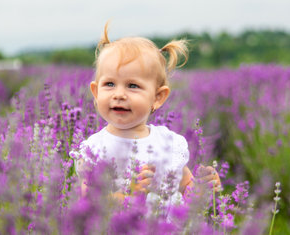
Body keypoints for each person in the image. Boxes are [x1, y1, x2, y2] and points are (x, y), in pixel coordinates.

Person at [70, 22, 220, 206]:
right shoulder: (94, 149)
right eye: (109, 84)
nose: (118, 94)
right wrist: (128, 195)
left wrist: (202, 189)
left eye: (133, 86)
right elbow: (89, 204)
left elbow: (185, 187)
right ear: (96, 92)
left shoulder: (168, 144)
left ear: (158, 97)